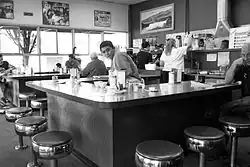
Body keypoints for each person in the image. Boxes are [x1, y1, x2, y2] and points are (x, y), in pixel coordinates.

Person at [221, 42, 250, 118]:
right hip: (245, 100)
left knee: (225, 107)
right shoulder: (241, 66)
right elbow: (227, 81)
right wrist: (234, 64)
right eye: (243, 55)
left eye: (249, 55)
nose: (246, 58)